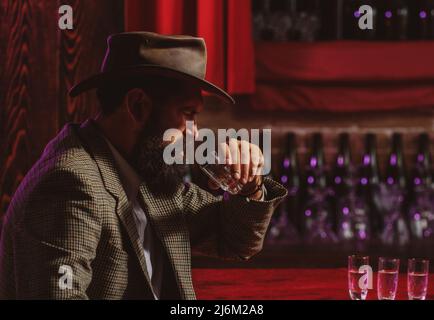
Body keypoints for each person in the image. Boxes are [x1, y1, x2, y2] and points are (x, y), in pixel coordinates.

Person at [0, 32, 287, 299]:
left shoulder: (146, 172)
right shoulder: (70, 184)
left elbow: (235, 241)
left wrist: (250, 187)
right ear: (138, 106)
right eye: (188, 114)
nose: (195, 133)